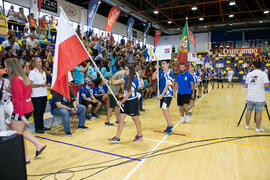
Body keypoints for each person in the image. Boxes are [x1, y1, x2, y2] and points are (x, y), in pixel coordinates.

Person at [5, 58, 46, 164]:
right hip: (27, 108)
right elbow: (27, 93)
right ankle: (38, 145)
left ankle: (26, 157)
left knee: (18, 133)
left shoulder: (15, 80)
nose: (5, 68)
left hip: (21, 110)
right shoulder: (23, 77)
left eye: (6, 66)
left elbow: (19, 99)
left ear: (11, 67)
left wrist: (21, 115)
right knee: (19, 130)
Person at [109, 64, 142, 143]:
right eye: (125, 69)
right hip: (125, 101)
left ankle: (139, 135)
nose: (125, 71)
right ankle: (117, 137)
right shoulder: (125, 77)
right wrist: (108, 81)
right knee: (121, 119)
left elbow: (130, 92)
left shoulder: (134, 79)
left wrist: (121, 101)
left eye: (126, 70)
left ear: (130, 70)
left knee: (135, 118)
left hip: (132, 101)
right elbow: (117, 81)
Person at [245, 61, 269, 132]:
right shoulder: (263, 74)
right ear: (261, 66)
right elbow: (267, 85)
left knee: (249, 111)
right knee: (259, 112)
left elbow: (246, 84)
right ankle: (257, 128)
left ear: (253, 66)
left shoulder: (249, 74)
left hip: (250, 96)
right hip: (259, 97)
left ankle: (247, 125)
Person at [29, 57, 50, 134]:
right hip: (36, 95)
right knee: (37, 112)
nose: (39, 63)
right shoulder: (32, 73)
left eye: (40, 62)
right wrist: (40, 85)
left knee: (41, 112)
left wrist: (47, 84)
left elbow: (43, 83)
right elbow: (30, 84)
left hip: (44, 94)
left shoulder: (43, 72)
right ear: (34, 63)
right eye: (37, 62)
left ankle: (42, 126)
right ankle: (37, 128)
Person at [152, 60, 174, 134]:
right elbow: (153, 77)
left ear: (168, 64)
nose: (162, 65)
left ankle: (170, 125)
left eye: (164, 63)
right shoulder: (161, 72)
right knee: (164, 109)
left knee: (165, 108)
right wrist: (156, 70)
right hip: (162, 94)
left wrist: (162, 95)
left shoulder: (170, 73)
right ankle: (169, 124)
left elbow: (167, 85)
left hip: (167, 94)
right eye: (162, 64)